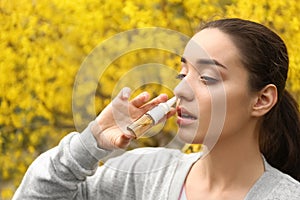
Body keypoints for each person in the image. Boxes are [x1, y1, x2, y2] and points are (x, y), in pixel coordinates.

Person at [13, 18, 300, 200]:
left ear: (262, 100)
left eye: (207, 78)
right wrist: (91, 142)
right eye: (182, 74)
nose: (180, 91)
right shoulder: (141, 176)